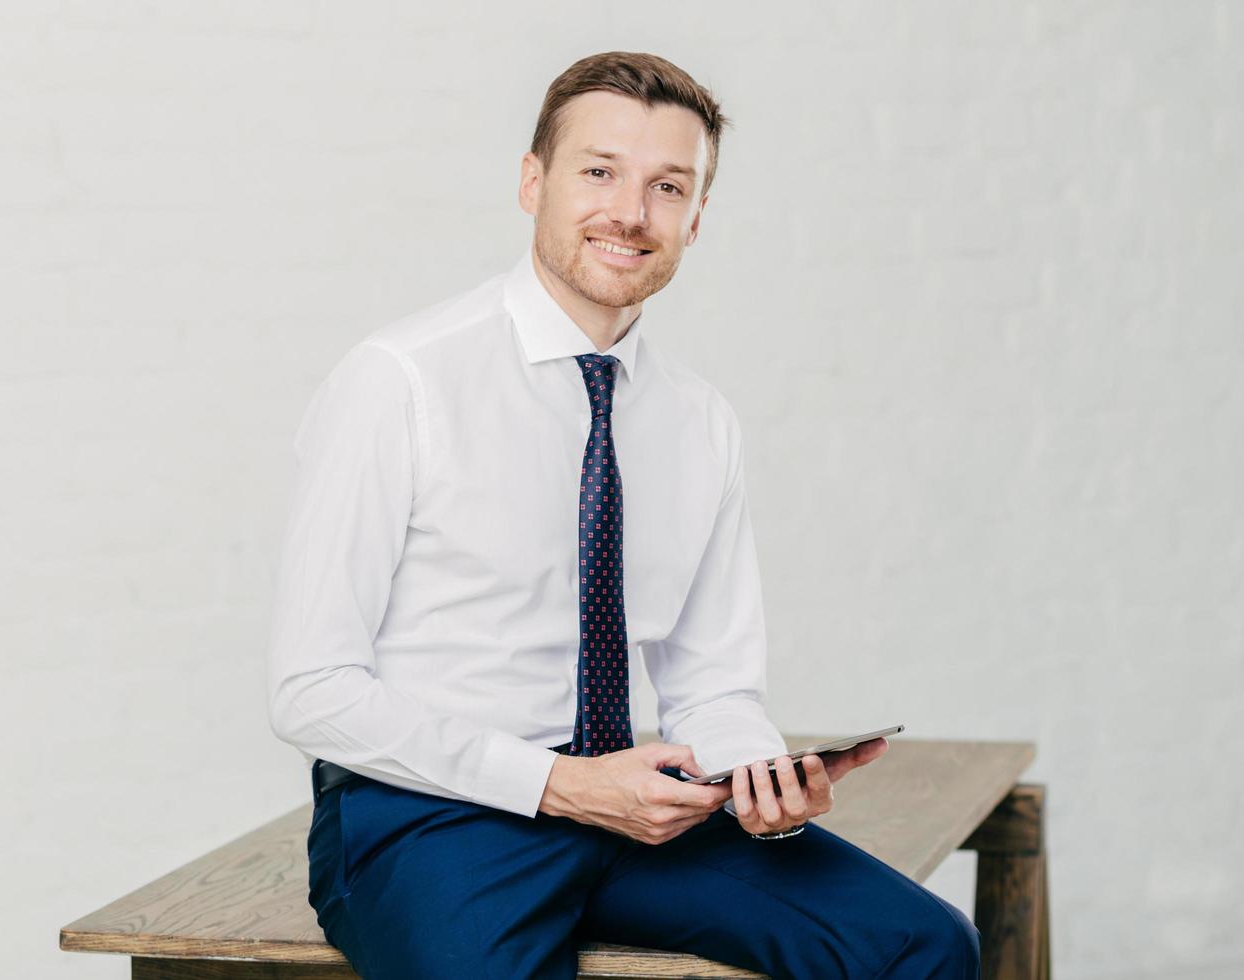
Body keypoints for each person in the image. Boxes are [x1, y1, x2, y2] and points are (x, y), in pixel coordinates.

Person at [264, 50, 980, 979]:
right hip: (430, 816)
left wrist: (754, 773)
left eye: (668, 186)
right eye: (599, 172)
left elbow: (713, 683)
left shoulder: (698, 420)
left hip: (641, 806)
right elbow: (310, 689)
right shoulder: (398, 382)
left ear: (697, 217)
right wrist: (561, 785)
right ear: (533, 182)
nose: (630, 213)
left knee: (923, 947)